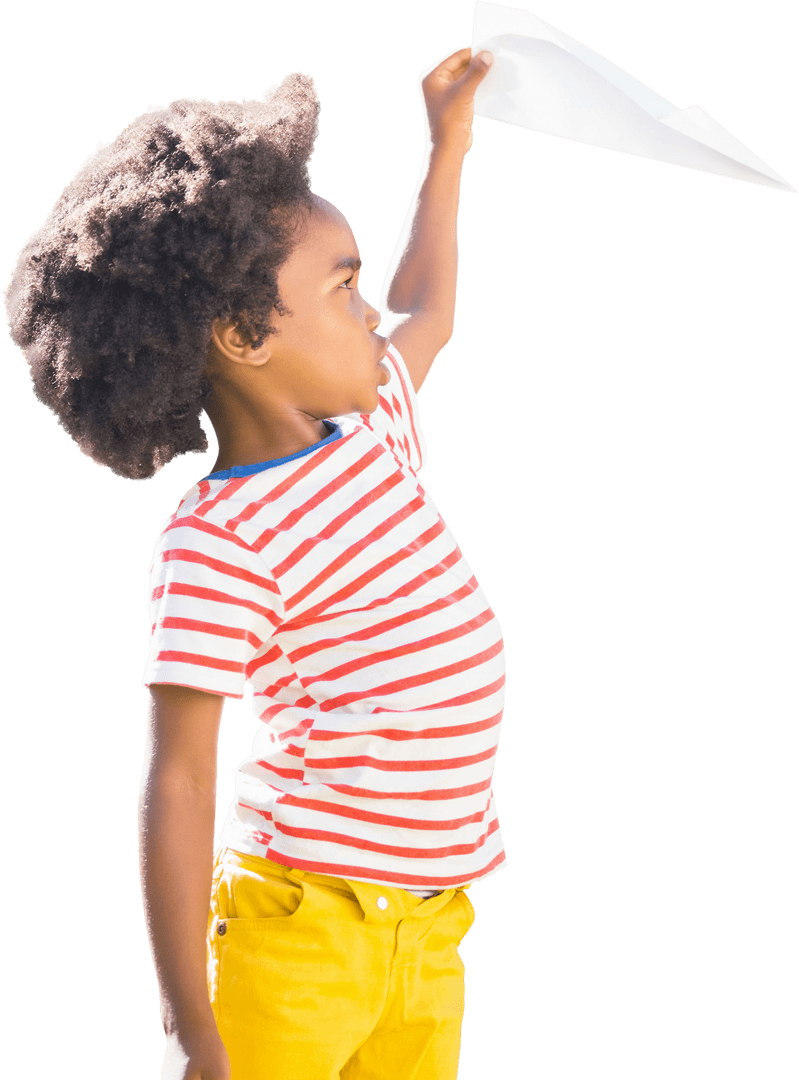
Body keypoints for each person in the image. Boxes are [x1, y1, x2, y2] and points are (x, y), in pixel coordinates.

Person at [4, 45, 503, 1080]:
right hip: (297, 931)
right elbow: (179, 782)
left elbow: (427, 311)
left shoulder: (369, 431)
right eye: (344, 289)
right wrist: (189, 1026)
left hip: (426, 926)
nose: (370, 316)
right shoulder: (220, 539)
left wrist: (445, 143)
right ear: (243, 333)